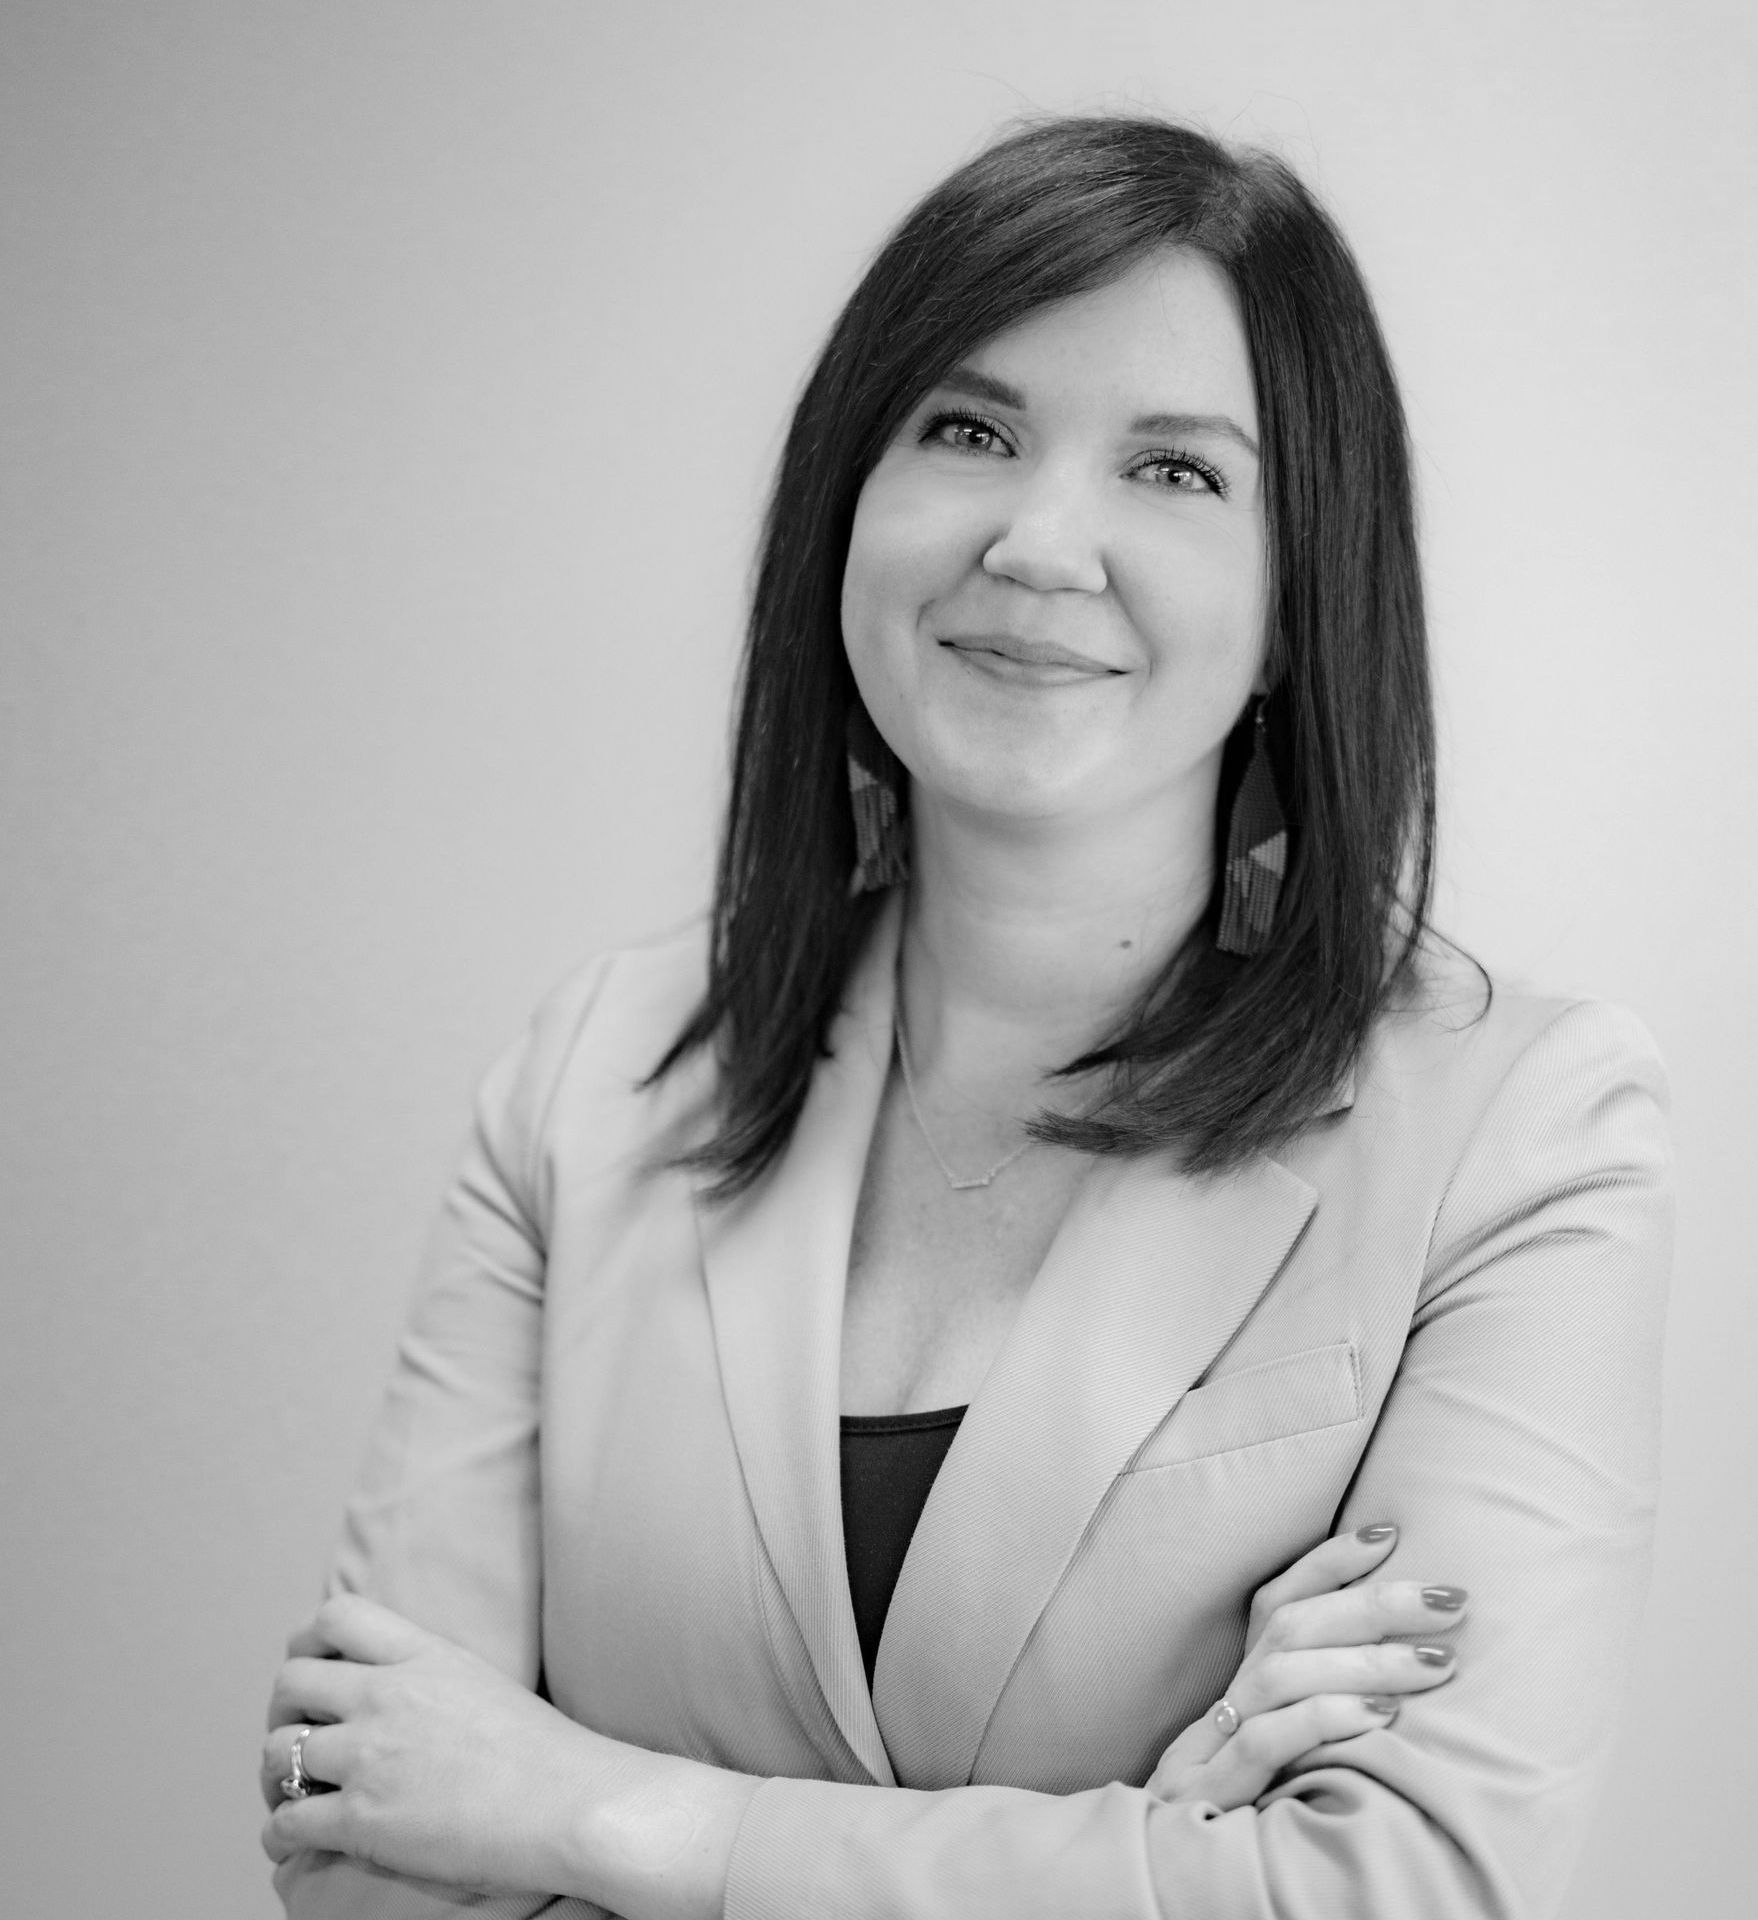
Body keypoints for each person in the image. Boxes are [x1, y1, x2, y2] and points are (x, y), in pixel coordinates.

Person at [261, 115, 1672, 1920]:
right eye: (970, 430)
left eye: (1176, 473)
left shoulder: (1521, 1129)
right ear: (847, 497)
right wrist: (1155, 1852)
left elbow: (1405, 1892)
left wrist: (610, 1818)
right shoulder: (593, 1074)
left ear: (1296, 610)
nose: (1040, 540)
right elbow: (361, 1852)